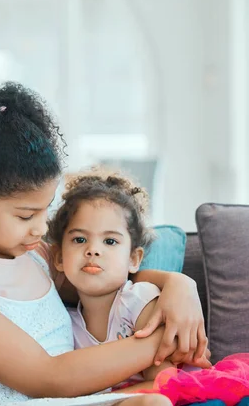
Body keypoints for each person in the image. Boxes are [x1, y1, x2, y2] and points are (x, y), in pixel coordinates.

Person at [0, 83, 209, 406]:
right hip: (43, 394)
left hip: (73, 400)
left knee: (157, 399)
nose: (41, 228)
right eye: (25, 216)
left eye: (45, 211)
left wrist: (180, 286)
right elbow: (48, 378)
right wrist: (165, 341)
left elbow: (106, 279)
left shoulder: (36, 258)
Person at [47, 170, 249, 405]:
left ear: (134, 259)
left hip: (177, 395)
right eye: (79, 239)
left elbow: (164, 382)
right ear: (59, 257)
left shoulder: (138, 300)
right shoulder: (66, 322)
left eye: (110, 241)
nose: (93, 250)